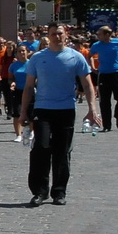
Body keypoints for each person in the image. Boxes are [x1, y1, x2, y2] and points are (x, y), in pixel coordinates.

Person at [21, 25, 99, 207]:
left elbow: (87, 85)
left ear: (66, 35)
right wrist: (24, 111)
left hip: (65, 109)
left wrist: (92, 109)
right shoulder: (38, 58)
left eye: (59, 33)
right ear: (47, 37)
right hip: (43, 108)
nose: (56, 37)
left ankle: (59, 191)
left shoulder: (76, 57)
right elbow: (28, 87)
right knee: (41, 147)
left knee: (62, 151)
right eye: (53, 34)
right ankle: (39, 191)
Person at [89, 26, 118, 131]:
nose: (97, 36)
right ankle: (107, 125)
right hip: (103, 74)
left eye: (99, 34)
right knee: (104, 102)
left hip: (117, 73)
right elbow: (89, 55)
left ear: (107, 34)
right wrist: (93, 67)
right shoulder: (96, 45)